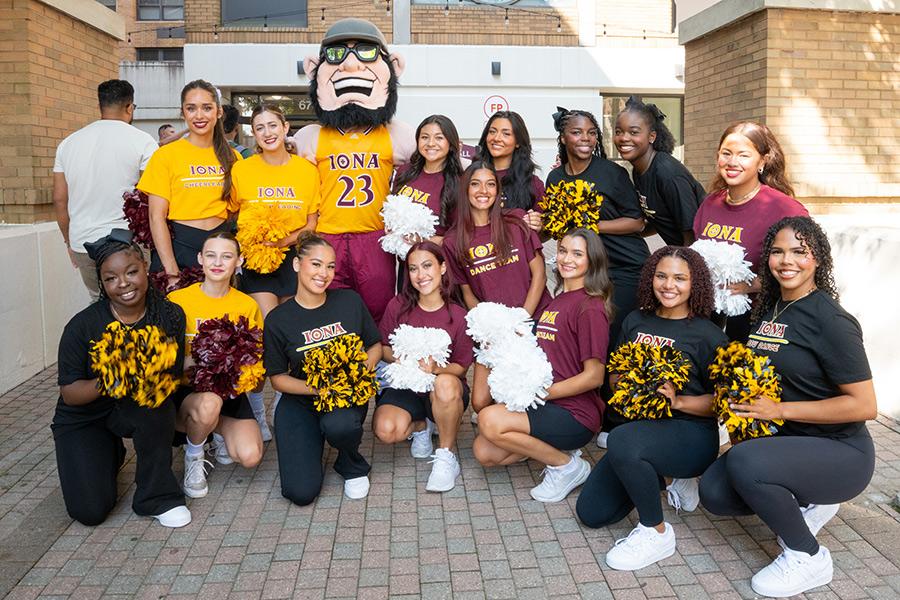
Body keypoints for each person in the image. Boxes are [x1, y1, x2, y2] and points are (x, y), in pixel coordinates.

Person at [699, 216, 877, 598]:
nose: (787, 260)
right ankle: (808, 498)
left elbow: (864, 406)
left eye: (800, 251)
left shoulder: (831, 320)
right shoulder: (769, 308)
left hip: (841, 450)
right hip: (789, 442)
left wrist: (778, 411)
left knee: (745, 463)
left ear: (818, 260)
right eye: (777, 252)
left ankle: (808, 557)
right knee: (715, 491)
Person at [576, 246, 726, 570]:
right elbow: (614, 373)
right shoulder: (635, 320)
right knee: (592, 512)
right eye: (661, 275)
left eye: (679, 278)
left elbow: (724, 401)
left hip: (691, 434)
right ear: (650, 278)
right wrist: (631, 386)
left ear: (694, 283)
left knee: (620, 441)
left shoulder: (708, 335)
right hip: (643, 430)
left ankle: (655, 531)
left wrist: (680, 400)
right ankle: (670, 480)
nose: (668, 285)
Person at [51, 229, 190, 528]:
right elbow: (71, 395)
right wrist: (114, 376)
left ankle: (157, 497)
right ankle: (108, 452)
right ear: (101, 282)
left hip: (139, 404)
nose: (123, 284)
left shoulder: (170, 315)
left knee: (156, 404)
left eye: (131, 272)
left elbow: (172, 376)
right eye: (111, 278)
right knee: (90, 512)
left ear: (146, 269)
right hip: (86, 415)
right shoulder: (83, 326)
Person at [473, 229, 611, 503]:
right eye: (562, 251)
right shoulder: (557, 300)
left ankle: (566, 466)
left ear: (592, 261)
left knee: (490, 420)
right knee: (485, 452)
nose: (566, 259)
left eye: (577, 254)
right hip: (547, 405)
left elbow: (594, 377)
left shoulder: (590, 307)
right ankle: (556, 450)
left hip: (575, 413)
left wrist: (540, 393)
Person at [292, 18, 415, 323]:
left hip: (373, 235)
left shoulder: (394, 133)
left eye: (365, 52)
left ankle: (376, 366)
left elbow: (439, 163)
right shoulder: (311, 135)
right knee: (327, 309)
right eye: (337, 55)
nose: (350, 65)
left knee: (378, 307)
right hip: (326, 235)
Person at [263, 232, 383, 503]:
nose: (324, 273)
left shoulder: (349, 301)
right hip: (302, 398)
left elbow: (374, 345)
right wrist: (321, 388)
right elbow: (278, 380)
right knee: (300, 493)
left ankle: (350, 463)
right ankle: (311, 440)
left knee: (340, 426)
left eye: (330, 266)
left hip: (344, 399)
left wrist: (361, 370)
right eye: (316, 264)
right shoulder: (277, 319)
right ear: (297, 265)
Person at [231, 103, 322, 438]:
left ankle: (284, 400)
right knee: (265, 333)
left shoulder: (306, 171)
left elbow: (312, 223)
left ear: (285, 128)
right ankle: (255, 406)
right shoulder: (243, 170)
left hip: (292, 257)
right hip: (257, 262)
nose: (268, 133)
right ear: (253, 134)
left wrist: (281, 240)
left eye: (273, 125)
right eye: (259, 127)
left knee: (290, 338)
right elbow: (234, 216)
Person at [443, 161, 551, 418]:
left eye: (490, 184)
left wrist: (522, 318)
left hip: (533, 318)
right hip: (496, 329)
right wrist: (492, 326)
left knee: (535, 385)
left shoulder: (515, 222)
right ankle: (505, 421)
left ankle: (522, 428)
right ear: (465, 190)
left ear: (498, 191)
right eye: (476, 184)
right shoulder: (453, 240)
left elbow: (539, 274)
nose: (484, 190)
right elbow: (468, 293)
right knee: (480, 402)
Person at [167, 232, 264, 499]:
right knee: (209, 403)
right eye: (210, 255)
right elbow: (164, 356)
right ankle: (194, 455)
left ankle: (214, 430)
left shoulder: (247, 305)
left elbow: (256, 366)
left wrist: (241, 370)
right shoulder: (178, 301)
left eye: (226, 256)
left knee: (250, 456)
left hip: (229, 392)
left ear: (239, 261)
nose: (217, 262)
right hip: (188, 393)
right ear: (200, 259)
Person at [692, 121, 808, 341]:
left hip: (759, 322)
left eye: (743, 155)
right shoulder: (711, 203)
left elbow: (808, 265)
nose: (732, 162)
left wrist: (753, 285)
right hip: (709, 320)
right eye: (726, 153)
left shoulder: (784, 208)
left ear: (762, 161)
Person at [372, 241, 474, 492]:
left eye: (427, 266)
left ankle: (446, 456)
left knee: (447, 384)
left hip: (442, 391)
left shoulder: (458, 315)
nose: (421, 275)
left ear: (442, 267)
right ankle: (422, 425)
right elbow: (383, 348)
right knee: (385, 431)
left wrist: (435, 369)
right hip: (405, 386)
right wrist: (406, 359)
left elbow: (460, 366)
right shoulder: (398, 305)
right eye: (414, 269)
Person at [546, 107, 649, 346]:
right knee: (585, 337)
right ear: (563, 137)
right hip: (587, 272)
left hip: (624, 268)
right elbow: (559, 228)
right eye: (577, 132)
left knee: (611, 339)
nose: (586, 138)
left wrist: (590, 226)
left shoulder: (612, 173)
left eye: (591, 133)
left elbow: (636, 221)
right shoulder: (555, 179)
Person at [53, 79, 158, 300]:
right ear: (129, 107)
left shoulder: (69, 144)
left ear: (101, 105)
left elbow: (60, 200)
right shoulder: (143, 141)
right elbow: (152, 196)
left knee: (99, 303)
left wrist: (68, 242)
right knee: (137, 303)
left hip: (83, 240)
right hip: (130, 242)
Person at [138, 79, 242, 282]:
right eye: (191, 108)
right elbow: (156, 217)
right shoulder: (165, 156)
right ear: (183, 112)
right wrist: (171, 272)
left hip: (219, 250)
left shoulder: (233, 157)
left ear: (219, 112)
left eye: (207, 108)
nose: (199, 115)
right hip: (178, 248)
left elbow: (239, 211)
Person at [613, 96, 705, 246]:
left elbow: (691, 232)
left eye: (634, 132)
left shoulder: (667, 174)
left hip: (699, 256)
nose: (624, 138)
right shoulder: (639, 170)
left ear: (651, 136)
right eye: (618, 132)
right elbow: (659, 219)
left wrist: (684, 264)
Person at [392, 115, 465, 244]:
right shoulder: (404, 172)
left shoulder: (459, 182)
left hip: (436, 259)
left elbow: (460, 238)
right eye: (425, 137)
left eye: (439, 138)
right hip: (405, 260)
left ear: (450, 143)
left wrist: (422, 241)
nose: (431, 143)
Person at [476, 110, 543, 231]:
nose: (496, 138)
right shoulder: (471, 175)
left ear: (518, 142)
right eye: (492, 132)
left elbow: (543, 234)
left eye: (506, 134)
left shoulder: (532, 183)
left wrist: (538, 225)